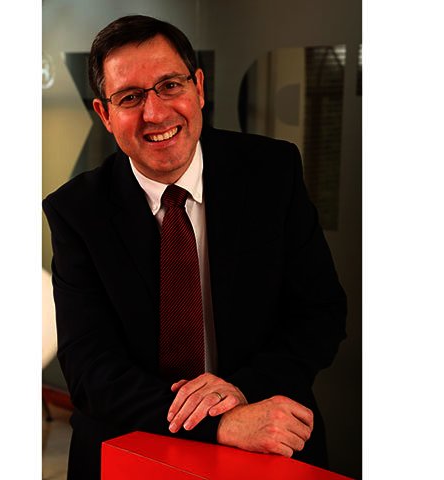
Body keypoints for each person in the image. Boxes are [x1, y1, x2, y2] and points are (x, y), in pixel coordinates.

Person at [42, 14, 347, 480]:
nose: (155, 113)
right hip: (130, 445)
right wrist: (217, 424)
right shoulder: (75, 211)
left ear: (199, 87)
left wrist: (238, 393)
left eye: (169, 85)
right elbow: (90, 370)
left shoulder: (272, 171)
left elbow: (319, 314)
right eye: (130, 97)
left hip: (266, 432)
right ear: (104, 114)